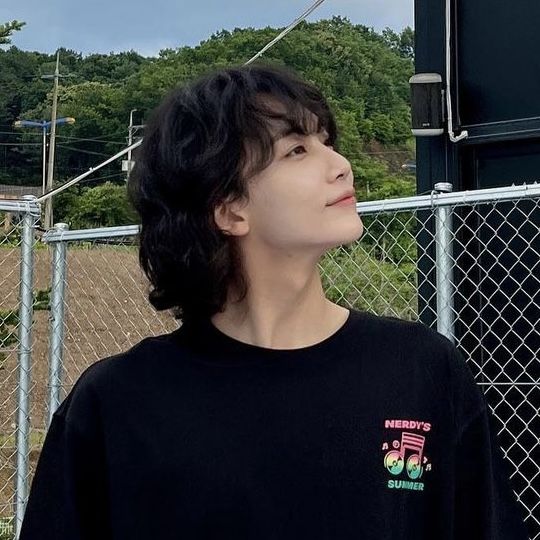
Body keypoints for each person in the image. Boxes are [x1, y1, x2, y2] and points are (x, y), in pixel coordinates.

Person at [19, 64, 528, 539]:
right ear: (229, 209)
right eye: (297, 151)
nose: (341, 166)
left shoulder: (421, 369)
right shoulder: (117, 403)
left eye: (326, 141)